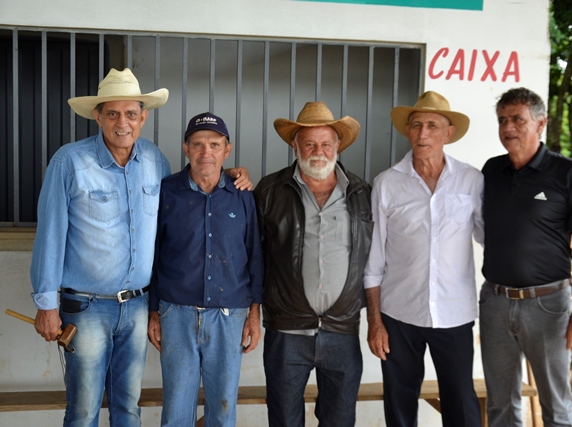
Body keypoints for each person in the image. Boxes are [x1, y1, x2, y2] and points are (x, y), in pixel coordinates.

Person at [29, 68, 250, 427]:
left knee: (128, 407)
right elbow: (50, 234)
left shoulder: (154, 160)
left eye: (131, 114)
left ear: (143, 117)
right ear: (97, 116)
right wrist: (45, 304)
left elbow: (188, 196)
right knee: (84, 409)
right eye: (112, 113)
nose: (122, 123)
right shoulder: (69, 162)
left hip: (136, 308)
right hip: (85, 308)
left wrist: (228, 175)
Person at [480, 87, 572, 427]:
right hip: (496, 303)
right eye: (503, 120)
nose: (508, 128)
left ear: (540, 124)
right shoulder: (491, 172)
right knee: (501, 406)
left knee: (556, 408)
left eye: (518, 119)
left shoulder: (568, 172)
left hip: (548, 306)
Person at [364, 91, 484, 427]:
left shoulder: (471, 180)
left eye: (432, 125)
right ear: (407, 131)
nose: (423, 133)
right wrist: (375, 322)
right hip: (398, 314)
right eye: (416, 125)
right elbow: (374, 260)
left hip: (455, 313)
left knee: (461, 402)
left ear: (448, 133)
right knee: (400, 406)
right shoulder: (387, 184)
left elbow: (492, 238)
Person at [253, 101, 373, 427]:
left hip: (343, 331)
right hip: (286, 330)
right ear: (295, 145)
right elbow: (253, 258)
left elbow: (377, 262)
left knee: (339, 421)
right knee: (284, 420)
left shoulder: (363, 193)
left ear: (338, 146)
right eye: (309, 143)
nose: (317, 151)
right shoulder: (269, 191)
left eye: (325, 143)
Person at [147, 112, 263, 427]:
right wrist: (154, 311)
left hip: (230, 316)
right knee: (176, 411)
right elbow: (154, 254)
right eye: (198, 144)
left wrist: (255, 313)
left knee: (222, 411)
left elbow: (254, 255)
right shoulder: (168, 191)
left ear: (227, 149)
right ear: (186, 148)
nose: (206, 152)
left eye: (214, 144)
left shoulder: (243, 194)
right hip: (177, 314)